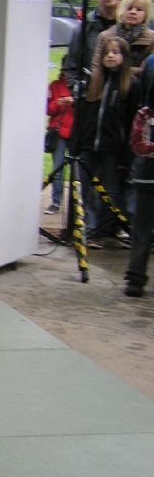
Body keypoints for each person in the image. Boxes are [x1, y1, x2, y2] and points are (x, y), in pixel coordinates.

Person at [70, 35, 141, 248]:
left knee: (109, 190)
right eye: (107, 52)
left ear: (124, 57)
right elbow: (81, 117)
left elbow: (132, 121)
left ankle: (103, 230)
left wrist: (126, 153)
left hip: (112, 148)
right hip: (88, 145)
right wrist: (75, 144)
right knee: (82, 187)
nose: (110, 56)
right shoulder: (92, 83)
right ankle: (85, 229)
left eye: (116, 52)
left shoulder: (131, 85)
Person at [124, 54, 154, 297]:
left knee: (142, 229)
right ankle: (135, 277)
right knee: (142, 228)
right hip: (147, 174)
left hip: (146, 173)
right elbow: (138, 144)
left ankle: (135, 278)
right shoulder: (145, 115)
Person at [63, 0, 122, 88]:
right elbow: (70, 67)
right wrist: (78, 90)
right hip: (92, 93)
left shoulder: (132, 25)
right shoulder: (84, 28)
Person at [45, 61, 74, 214]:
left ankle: (76, 205)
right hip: (59, 132)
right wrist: (59, 103)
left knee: (78, 170)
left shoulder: (81, 86)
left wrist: (73, 102)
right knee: (58, 168)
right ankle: (56, 201)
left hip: (75, 132)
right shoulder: (54, 86)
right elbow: (48, 109)